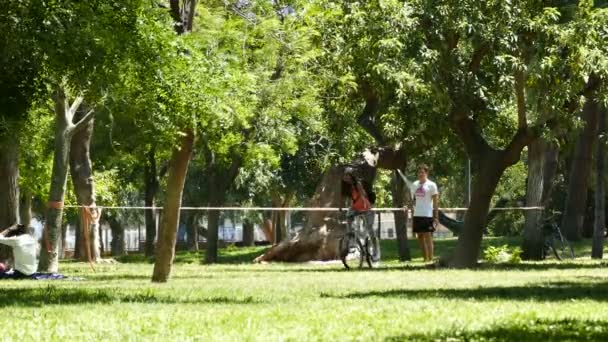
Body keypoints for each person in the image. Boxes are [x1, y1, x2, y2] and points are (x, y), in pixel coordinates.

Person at [341, 167, 380, 265]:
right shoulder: (347, 186)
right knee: (348, 217)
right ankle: (351, 238)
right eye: (345, 175)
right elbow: (350, 199)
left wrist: (367, 206)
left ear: (351, 176)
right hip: (357, 207)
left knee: (370, 228)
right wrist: (345, 208)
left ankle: (376, 251)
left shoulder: (358, 184)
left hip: (367, 206)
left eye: (347, 175)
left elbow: (364, 195)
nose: (345, 177)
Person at [409, 164, 439, 262]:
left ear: (427, 173)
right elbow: (412, 200)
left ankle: (431, 258)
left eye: (422, 172)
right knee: (420, 236)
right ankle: (425, 258)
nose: (420, 174)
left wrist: (436, 216)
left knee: (427, 236)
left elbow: (435, 202)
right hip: (417, 214)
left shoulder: (432, 185)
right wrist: (409, 209)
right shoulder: (414, 184)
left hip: (427, 214)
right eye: (419, 172)